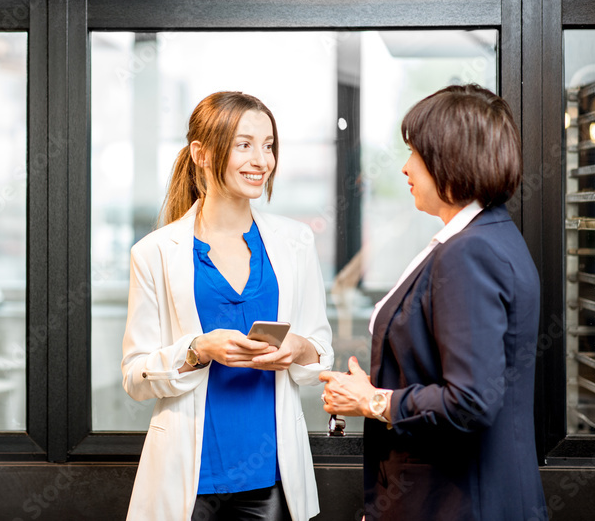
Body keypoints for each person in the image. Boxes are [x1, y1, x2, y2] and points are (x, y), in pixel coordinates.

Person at [320, 84, 546, 520]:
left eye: (416, 155)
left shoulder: (468, 251)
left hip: (455, 502)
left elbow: (470, 400)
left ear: (451, 160)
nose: (405, 168)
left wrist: (373, 400)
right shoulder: (492, 234)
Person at [122, 91, 334, 521]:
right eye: (244, 144)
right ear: (200, 153)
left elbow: (319, 352)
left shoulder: (295, 243)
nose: (262, 160)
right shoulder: (155, 253)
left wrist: (297, 348)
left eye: (269, 145)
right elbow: (135, 376)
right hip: (187, 477)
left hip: (271, 478)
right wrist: (198, 349)